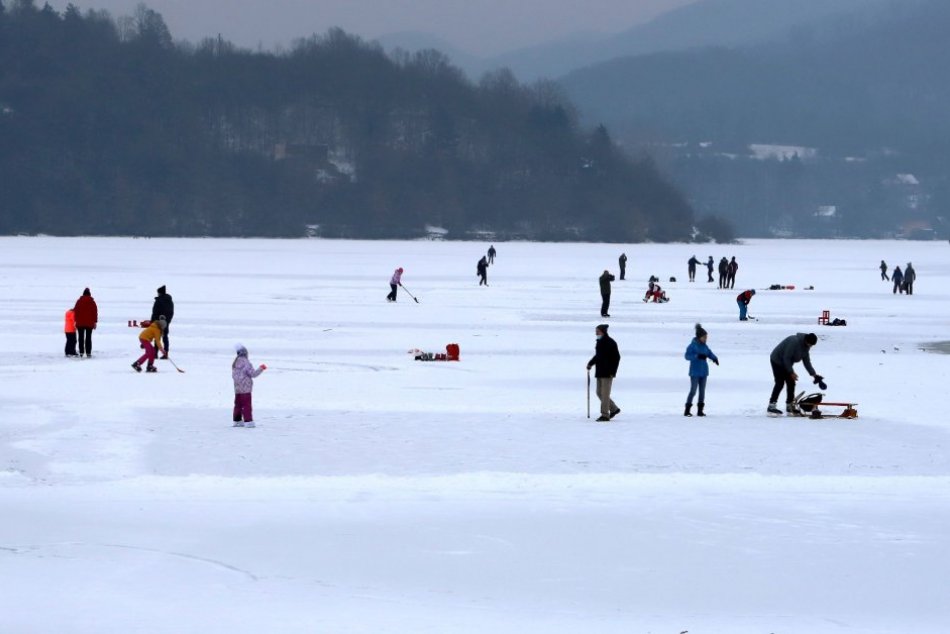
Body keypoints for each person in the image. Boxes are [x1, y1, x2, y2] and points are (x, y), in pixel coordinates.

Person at [768, 332, 825, 416]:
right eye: (810, 344)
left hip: (786, 362)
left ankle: (789, 405)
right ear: (806, 340)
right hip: (777, 360)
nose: (811, 346)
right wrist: (791, 372)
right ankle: (771, 405)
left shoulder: (806, 347)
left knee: (791, 383)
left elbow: (807, 362)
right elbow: (786, 357)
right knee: (780, 382)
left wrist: (814, 375)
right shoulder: (794, 342)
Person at [586, 324, 621, 421]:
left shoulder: (610, 342)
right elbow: (598, 356)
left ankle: (605, 415)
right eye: (596, 331)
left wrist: (613, 371)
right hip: (600, 371)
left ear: (603, 332)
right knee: (599, 393)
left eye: (598, 331)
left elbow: (617, 358)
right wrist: (590, 363)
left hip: (607, 373)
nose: (596, 333)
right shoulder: (600, 342)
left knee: (605, 394)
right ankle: (614, 409)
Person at [684, 323, 719, 417]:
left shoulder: (705, 346)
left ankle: (700, 410)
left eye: (706, 337)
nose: (706, 339)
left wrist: (714, 358)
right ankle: (687, 409)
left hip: (704, 372)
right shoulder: (692, 346)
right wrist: (697, 356)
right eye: (704, 337)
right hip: (694, 372)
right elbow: (687, 356)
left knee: (702, 391)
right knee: (693, 390)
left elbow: (709, 353)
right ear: (699, 337)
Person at [232, 343, 266, 428]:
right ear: (245, 353)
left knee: (238, 405)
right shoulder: (246, 362)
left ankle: (237, 421)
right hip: (246, 388)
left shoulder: (235, 363)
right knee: (247, 405)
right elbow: (253, 374)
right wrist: (261, 368)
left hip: (237, 388)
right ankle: (248, 421)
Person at [73, 287, 98, 358]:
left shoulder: (79, 301)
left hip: (80, 323)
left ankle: (81, 352)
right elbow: (95, 312)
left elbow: (76, 311)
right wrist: (95, 322)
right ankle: (88, 353)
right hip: (89, 323)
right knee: (88, 338)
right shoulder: (92, 302)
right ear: (89, 294)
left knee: (80, 338)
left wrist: (75, 320)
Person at [151, 285, 174, 359]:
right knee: (165, 337)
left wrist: (152, 321)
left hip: (158, 322)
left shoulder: (159, 301)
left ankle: (155, 354)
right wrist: (168, 321)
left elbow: (155, 312)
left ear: (160, 293)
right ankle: (166, 353)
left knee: (157, 337)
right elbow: (171, 312)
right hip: (166, 322)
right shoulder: (169, 301)